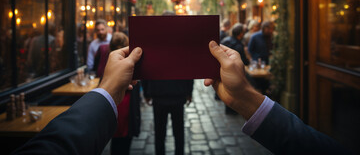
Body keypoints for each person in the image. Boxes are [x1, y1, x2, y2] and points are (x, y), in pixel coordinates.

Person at [14, 43, 352, 155]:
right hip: (169, 97)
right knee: (170, 131)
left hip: (166, 97)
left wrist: (111, 90)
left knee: (168, 130)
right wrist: (246, 98)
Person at [142, 11, 193, 155]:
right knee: (179, 131)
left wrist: (146, 92)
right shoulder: (182, 42)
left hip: (159, 94)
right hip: (178, 93)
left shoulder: (152, 41)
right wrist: (189, 92)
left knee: (159, 132)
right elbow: (189, 69)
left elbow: (146, 68)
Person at [94, 32, 140, 155]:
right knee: (125, 142)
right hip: (125, 106)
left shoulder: (110, 63)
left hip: (112, 105)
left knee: (115, 141)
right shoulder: (131, 65)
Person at [220, 23, 250, 114]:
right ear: (240, 34)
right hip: (234, 72)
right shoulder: (238, 45)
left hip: (223, 70)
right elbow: (243, 61)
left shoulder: (225, 40)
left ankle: (229, 108)